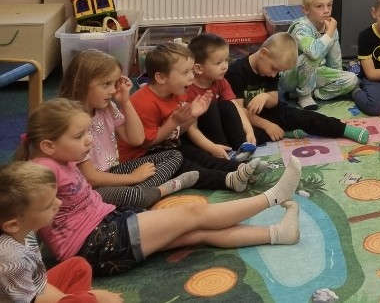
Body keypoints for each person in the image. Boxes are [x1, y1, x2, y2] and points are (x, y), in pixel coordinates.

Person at [17, 98, 303, 276]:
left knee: (197, 232)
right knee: (193, 214)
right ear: (48, 145)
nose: (89, 141)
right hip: (95, 243)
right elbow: (20, 220)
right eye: (79, 136)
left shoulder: (63, 159)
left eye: (87, 134)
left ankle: (278, 234)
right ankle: (274, 197)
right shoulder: (43, 170)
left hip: (106, 226)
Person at [58, 49, 198, 209]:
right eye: (106, 84)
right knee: (134, 195)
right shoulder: (70, 121)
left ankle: (143, 193)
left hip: (112, 172)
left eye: (114, 84)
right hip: (89, 189)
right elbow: (90, 178)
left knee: (174, 155)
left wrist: (125, 101)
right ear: (80, 84)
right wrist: (133, 177)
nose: (112, 90)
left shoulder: (106, 108)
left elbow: (136, 139)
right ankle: (158, 191)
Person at [118, 43, 259, 193]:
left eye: (191, 71)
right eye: (185, 72)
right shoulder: (144, 102)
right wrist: (174, 122)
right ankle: (227, 180)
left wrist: (192, 116)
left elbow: (179, 130)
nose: (192, 76)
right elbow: (146, 143)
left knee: (198, 155)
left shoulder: (178, 92)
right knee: (185, 166)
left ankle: (241, 169)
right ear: (161, 77)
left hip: (168, 145)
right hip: (140, 158)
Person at [0, 161, 123, 303]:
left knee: (78, 267)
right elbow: (33, 300)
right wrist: (90, 297)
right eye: (48, 205)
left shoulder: (24, 231)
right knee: (88, 299)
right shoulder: (11, 259)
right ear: (13, 225)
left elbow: (40, 284)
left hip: (31, 292)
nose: (59, 203)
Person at [225, 33, 369, 144]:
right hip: (245, 119)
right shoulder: (236, 72)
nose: (273, 74)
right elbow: (238, 112)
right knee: (237, 138)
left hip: (270, 112)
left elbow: (274, 101)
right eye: (274, 69)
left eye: (278, 71)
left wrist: (265, 97)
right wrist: (267, 126)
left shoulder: (271, 68)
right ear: (263, 53)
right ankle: (282, 131)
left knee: (304, 117)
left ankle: (342, 129)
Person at [286, 0, 360, 110]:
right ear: (306, 10)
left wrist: (338, 76)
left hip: (316, 73)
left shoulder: (330, 28)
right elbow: (313, 53)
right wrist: (329, 33)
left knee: (353, 79)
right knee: (310, 58)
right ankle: (304, 96)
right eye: (319, 6)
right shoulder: (301, 28)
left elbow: (335, 59)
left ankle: (313, 93)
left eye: (329, 5)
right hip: (291, 76)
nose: (326, 10)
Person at [185, 33, 256, 160]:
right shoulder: (188, 90)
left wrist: (249, 131)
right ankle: (226, 151)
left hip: (220, 126)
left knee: (228, 104)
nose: (224, 66)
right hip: (202, 136)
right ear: (199, 68)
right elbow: (191, 129)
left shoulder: (220, 81)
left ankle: (240, 144)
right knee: (211, 107)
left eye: (226, 60)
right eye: (218, 63)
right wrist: (212, 147)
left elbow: (235, 107)